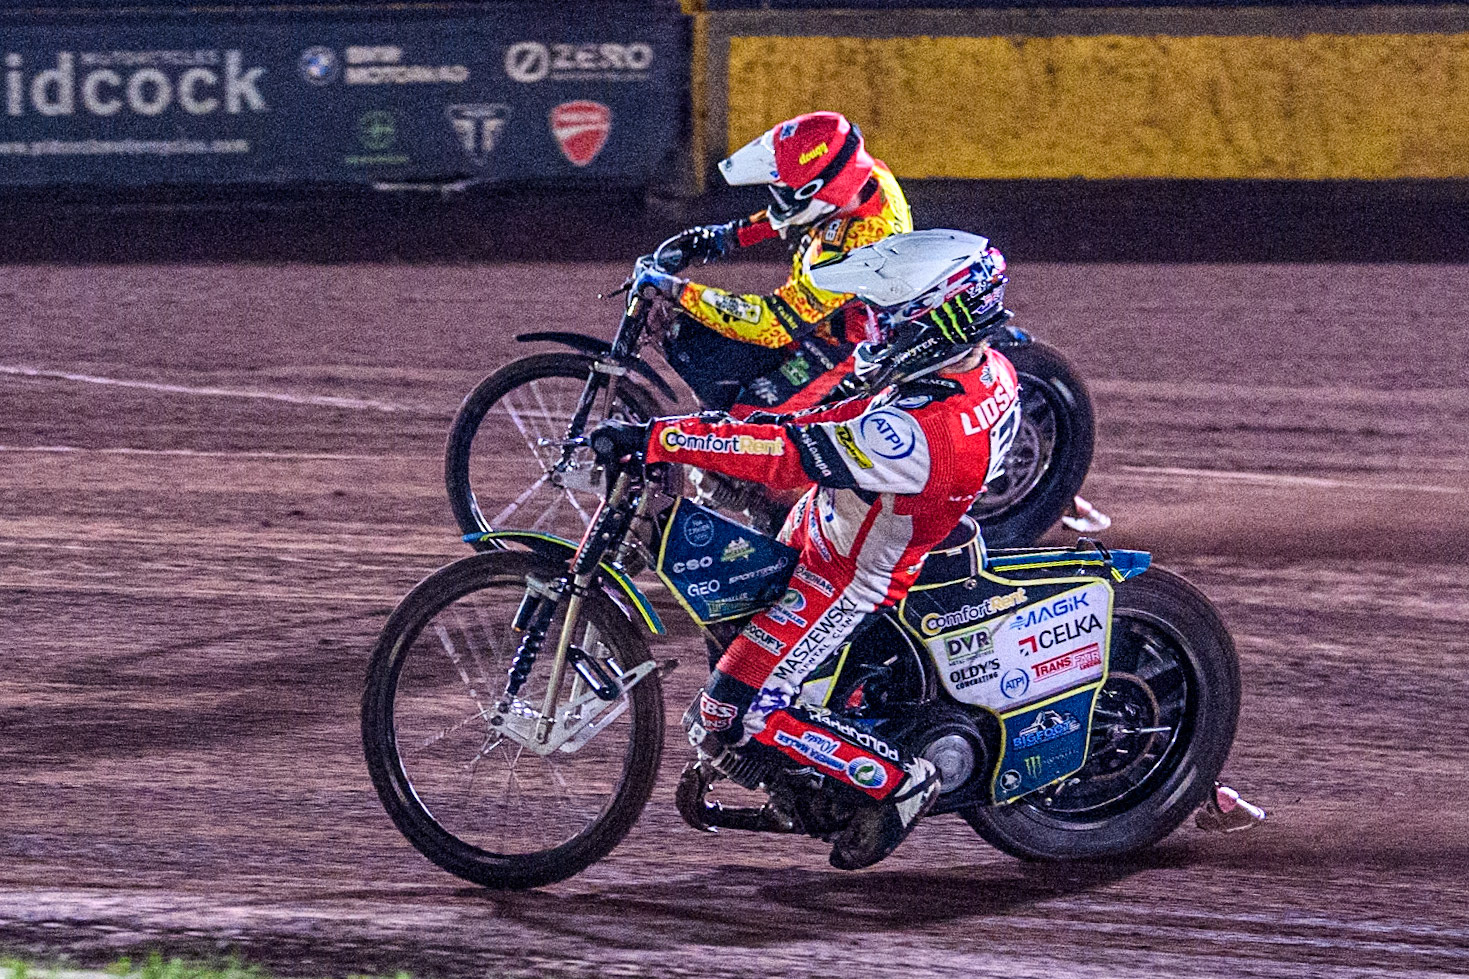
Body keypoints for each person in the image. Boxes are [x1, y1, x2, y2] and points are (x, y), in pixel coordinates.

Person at [592, 231, 1020, 869]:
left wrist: (662, 437)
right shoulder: (980, 371)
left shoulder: (920, 433)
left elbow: (788, 452)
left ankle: (899, 783)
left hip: (849, 574)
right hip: (833, 525)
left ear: (940, 318)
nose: (873, 333)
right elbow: (819, 429)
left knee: (728, 713)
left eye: (889, 318)